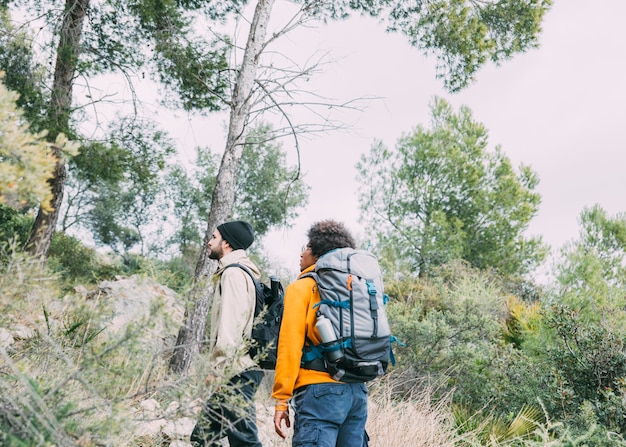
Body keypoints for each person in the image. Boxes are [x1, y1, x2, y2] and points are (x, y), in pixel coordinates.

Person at [272, 220, 369, 446]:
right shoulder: (355, 285)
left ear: (318, 255)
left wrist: (281, 400)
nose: (302, 253)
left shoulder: (301, 288)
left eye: (306, 247)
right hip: (356, 391)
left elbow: (290, 346)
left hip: (319, 392)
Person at [191, 220, 264, 447]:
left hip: (235, 372)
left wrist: (219, 369)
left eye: (214, 237)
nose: (209, 241)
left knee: (244, 442)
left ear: (227, 244)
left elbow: (231, 327)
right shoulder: (243, 272)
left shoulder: (233, 274)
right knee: (203, 438)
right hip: (240, 369)